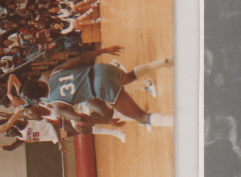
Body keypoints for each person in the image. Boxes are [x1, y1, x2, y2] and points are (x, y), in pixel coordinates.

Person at [9, 47, 173, 127]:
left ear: (38, 99)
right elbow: (80, 58)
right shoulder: (51, 74)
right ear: (38, 82)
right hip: (100, 69)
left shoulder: (57, 106)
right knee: (129, 77)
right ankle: (168, 61)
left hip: (100, 88)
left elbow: (80, 118)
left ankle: (177, 122)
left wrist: (107, 121)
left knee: (142, 118)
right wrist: (105, 50)